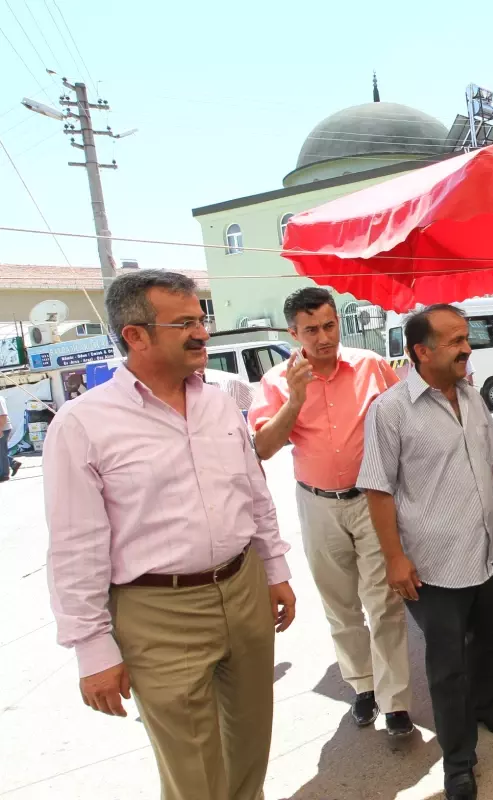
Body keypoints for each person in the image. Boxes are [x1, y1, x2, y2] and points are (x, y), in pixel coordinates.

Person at [43, 270, 295, 800]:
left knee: (251, 744)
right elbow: (75, 546)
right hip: (158, 611)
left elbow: (253, 491)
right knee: (194, 772)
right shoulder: (83, 424)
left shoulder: (222, 398)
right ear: (135, 335)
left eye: (201, 318)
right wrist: (93, 648)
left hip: (243, 586)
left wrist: (275, 570)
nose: (201, 332)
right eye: (183, 323)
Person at [358, 304, 493, 800]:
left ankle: (486, 703)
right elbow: (377, 489)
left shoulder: (472, 397)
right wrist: (394, 558)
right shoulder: (390, 410)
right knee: (448, 666)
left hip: (485, 548)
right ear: (421, 351)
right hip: (433, 563)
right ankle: (458, 760)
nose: (466, 348)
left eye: (465, 338)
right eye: (454, 341)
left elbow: (486, 465)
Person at [249, 287, 413, 737]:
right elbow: (262, 447)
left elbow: (407, 419)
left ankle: (395, 700)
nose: (323, 338)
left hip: (371, 501)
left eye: (329, 325)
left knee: (383, 602)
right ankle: (362, 686)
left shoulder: (370, 365)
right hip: (318, 504)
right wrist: (295, 399)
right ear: (292, 333)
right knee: (340, 603)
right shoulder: (277, 382)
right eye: (311, 330)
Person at [0, 393, 19, 480]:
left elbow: (3, 416)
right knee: (2, 451)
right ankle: (13, 463)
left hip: (3, 428)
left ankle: (4, 474)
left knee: (1, 451)